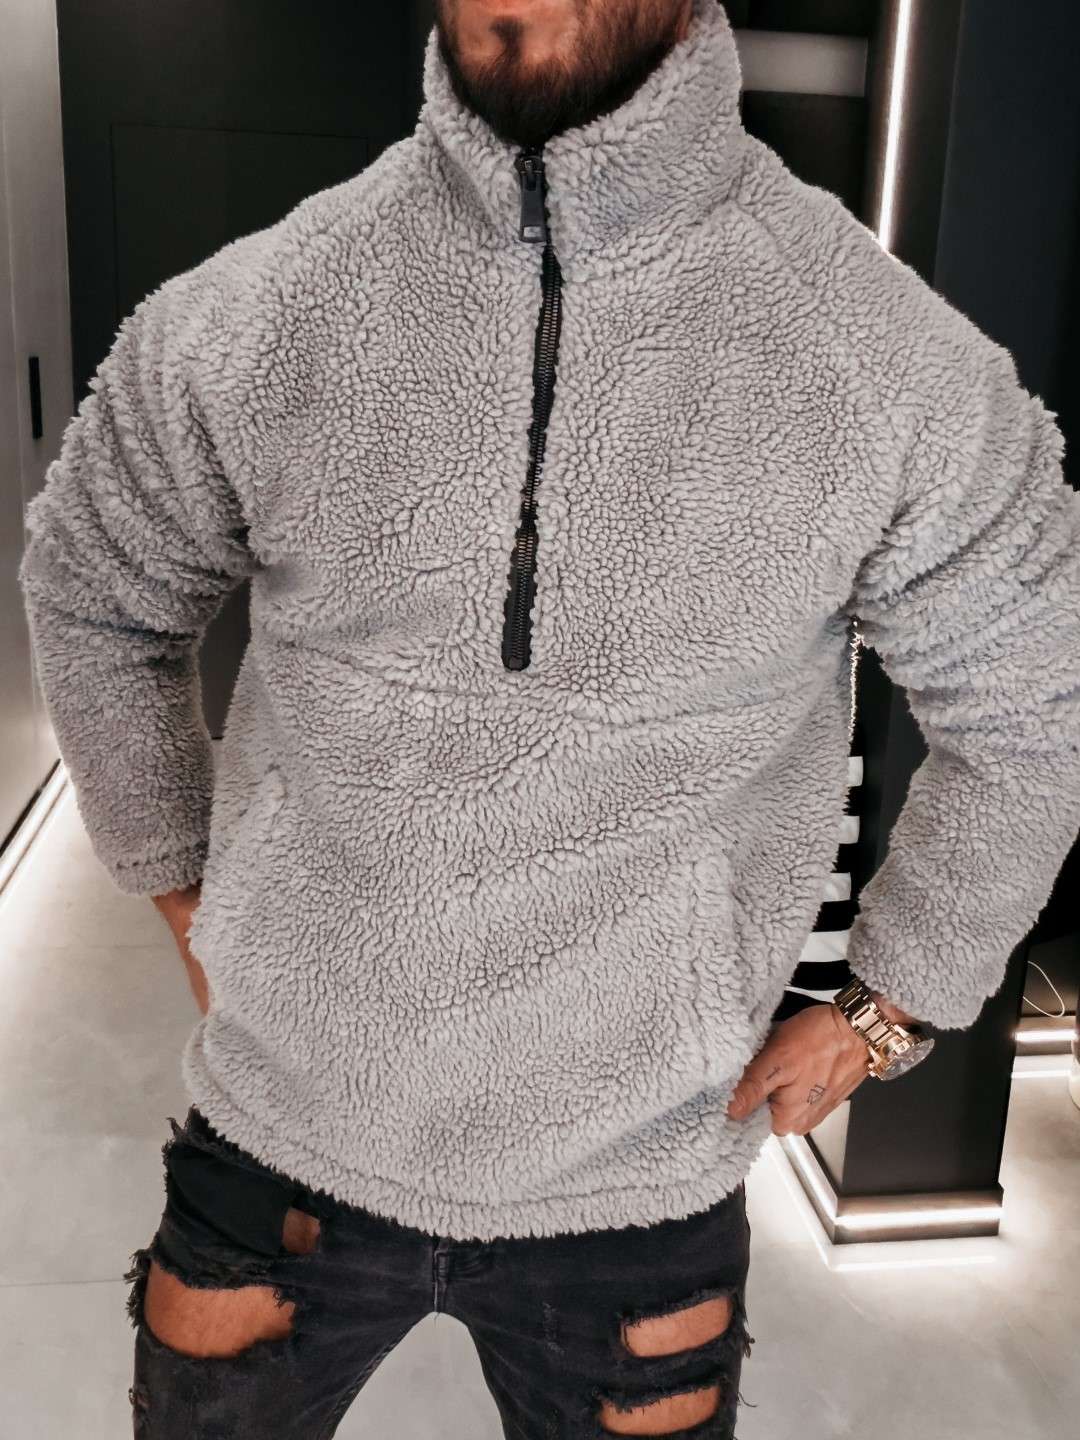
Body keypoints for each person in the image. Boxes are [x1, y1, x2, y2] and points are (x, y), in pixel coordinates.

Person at [17, 0, 1080, 1435]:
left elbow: (1037, 711)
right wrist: (191, 891)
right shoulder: (259, 312)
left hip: (639, 1176)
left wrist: (888, 1011)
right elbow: (96, 589)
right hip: (281, 1136)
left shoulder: (886, 364)